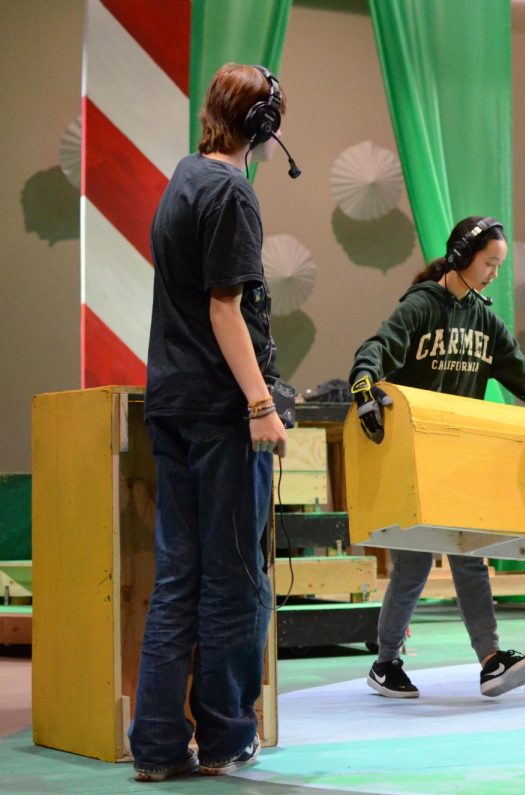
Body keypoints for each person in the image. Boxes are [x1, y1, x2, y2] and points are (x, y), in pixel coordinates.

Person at [131, 64, 295, 781]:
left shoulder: (181, 182)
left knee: (179, 578)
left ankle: (159, 746)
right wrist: (262, 403)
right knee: (235, 580)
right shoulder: (232, 192)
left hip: (171, 401)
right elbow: (225, 309)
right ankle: (228, 736)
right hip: (221, 413)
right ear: (264, 127)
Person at [349, 216, 525, 699]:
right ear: (461, 257)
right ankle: (386, 662)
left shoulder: (485, 319)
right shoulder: (420, 307)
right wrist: (363, 384)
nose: (495, 273)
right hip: (415, 458)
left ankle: (491, 660)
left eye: (500, 264)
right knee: (412, 567)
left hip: (461, 456)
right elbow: (375, 348)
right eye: (489, 262)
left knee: (470, 555)